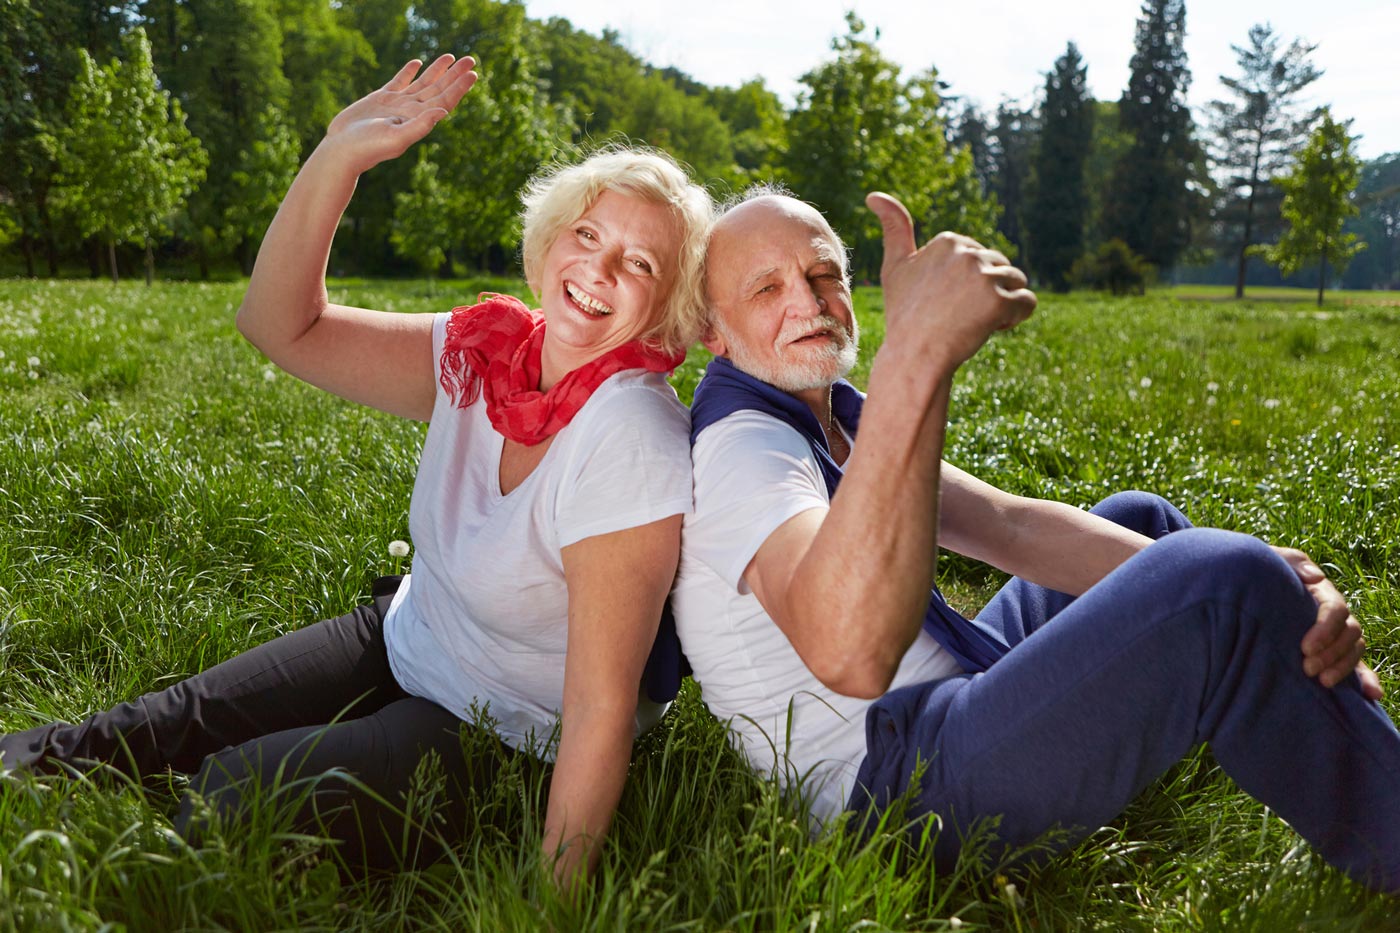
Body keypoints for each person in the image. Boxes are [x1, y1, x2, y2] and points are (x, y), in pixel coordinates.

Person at [0, 55, 713, 888]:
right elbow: (280, 326)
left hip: (508, 731)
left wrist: (556, 901)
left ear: (664, 305)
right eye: (588, 234)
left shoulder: (628, 433)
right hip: (414, 635)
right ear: (550, 240)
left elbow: (599, 708)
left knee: (233, 798)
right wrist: (337, 156)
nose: (598, 268)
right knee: (149, 727)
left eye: (640, 263)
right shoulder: (485, 351)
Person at [669, 186, 1400, 892]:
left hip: (944, 704)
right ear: (713, 330)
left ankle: (1272, 675)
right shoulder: (745, 450)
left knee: (1141, 521)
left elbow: (1006, 523)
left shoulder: (831, 415)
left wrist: (1275, 592)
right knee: (1221, 581)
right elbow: (846, 653)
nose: (809, 300)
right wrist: (913, 359)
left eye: (824, 273)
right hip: (901, 802)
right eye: (767, 289)